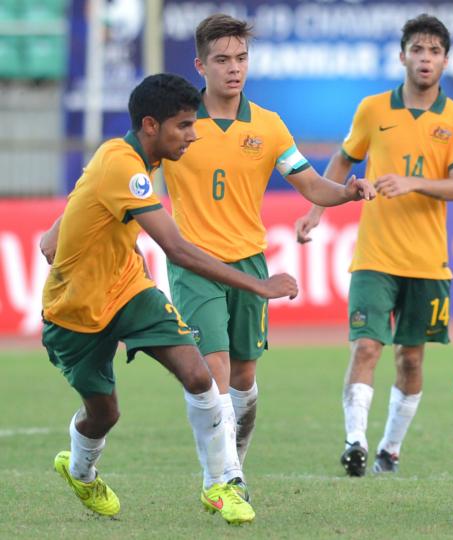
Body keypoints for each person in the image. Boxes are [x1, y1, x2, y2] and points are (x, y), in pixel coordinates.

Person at [38, 73, 298, 524]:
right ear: (151, 125)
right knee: (104, 414)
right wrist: (261, 286)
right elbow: (176, 249)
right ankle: (80, 468)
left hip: (130, 291)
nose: (193, 136)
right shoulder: (123, 165)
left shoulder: (137, 157)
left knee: (199, 376)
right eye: (184, 126)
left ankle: (219, 484)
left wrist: (91, 239)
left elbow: (63, 225)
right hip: (75, 312)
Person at [159, 14, 376, 500]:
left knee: (244, 378)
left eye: (240, 58)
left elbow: (309, 183)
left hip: (249, 263)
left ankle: (231, 459)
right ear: (200, 65)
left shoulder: (269, 127)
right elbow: (133, 170)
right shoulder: (179, 122)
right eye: (222, 60)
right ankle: (223, 478)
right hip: (194, 263)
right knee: (212, 370)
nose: (233, 69)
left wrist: (347, 191)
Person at [295, 14, 453, 477]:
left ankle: (389, 450)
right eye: (418, 49)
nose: (425, 58)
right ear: (402, 56)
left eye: (434, 51)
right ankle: (355, 441)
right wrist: (318, 209)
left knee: (410, 359)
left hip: (427, 262)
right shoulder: (373, 110)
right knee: (366, 347)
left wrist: (412, 182)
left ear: (445, 61)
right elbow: (343, 158)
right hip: (374, 257)